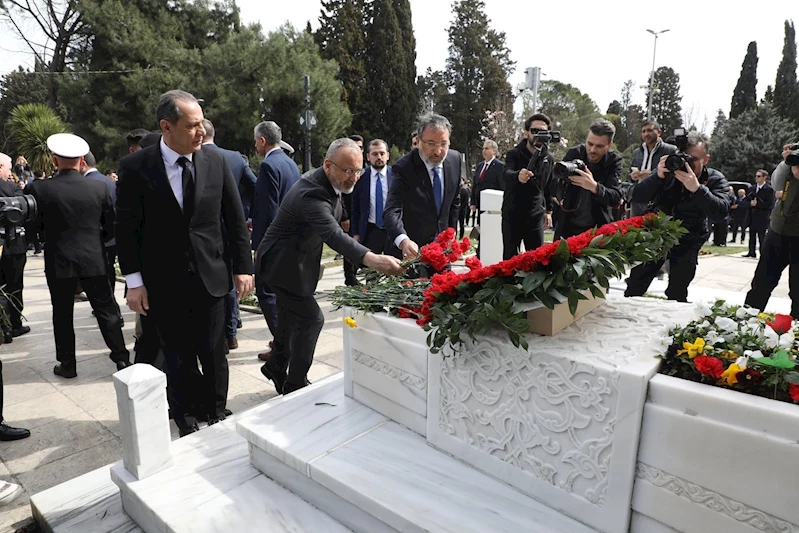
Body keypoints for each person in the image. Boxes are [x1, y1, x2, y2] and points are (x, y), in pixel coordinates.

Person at [116, 90, 253, 436]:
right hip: (164, 280)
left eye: (201, 126)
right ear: (166, 127)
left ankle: (217, 411)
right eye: (192, 126)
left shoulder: (216, 160)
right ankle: (185, 417)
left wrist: (243, 267)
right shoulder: (135, 168)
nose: (201, 133)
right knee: (176, 355)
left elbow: (235, 219)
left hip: (211, 275)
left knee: (214, 352)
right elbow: (127, 228)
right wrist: (134, 282)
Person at [256, 138, 405, 394]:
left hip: (297, 263)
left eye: (358, 170)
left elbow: (339, 215)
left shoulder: (331, 182)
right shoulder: (311, 193)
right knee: (312, 318)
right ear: (328, 165)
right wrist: (373, 259)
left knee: (291, 319)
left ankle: (276, 367)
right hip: (280, 265)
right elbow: (332, 234)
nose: (355, 178)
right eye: (349, 171)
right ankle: (295, 383)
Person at [27, 134, 131, 378]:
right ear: (82, 160)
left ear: (55, 160)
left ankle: (68, 364)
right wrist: (95, 242)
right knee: (106, 310)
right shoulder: (99, 186)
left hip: (58, 259)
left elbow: (35, 228)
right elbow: (109, 226)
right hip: (93, 257)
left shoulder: (39, 188)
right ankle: (122, 359)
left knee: (62, 314)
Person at [625, 132, 730, 301]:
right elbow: (637, 196)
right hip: (656, 235)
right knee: (635, 285)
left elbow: (720, 211)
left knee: (678, 291)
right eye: (683, 158)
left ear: (706, 159)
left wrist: (697, 189)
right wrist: (657, 176)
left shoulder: (714, 179)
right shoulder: (667, 173)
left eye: (694, 159)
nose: (687, 164)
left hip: (688, 239)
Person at [201, 119, 257, 351]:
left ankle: (216, 334)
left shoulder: (196, 157)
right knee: (230, 283)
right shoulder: (235, 158)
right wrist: (249, 217)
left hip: (206, 233)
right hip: (235, 229)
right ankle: (231, 333)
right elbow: (256, 188)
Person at [251, 120, 301, 363]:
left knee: (267, 293)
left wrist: (259, 246)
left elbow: (268, 212)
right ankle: (284, 340)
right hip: (291, 241)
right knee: (281, 296)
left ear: (262, 140)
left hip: (274, 243)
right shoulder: (290, 164)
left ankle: (283, 345)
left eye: (255, 141)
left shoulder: (269, 166)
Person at [384, 112, 462, 266]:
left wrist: (451, 234)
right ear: (419, 141)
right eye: (431, 143)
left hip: (442, 252)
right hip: (412, 253)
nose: (438, 151)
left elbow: (455, 201)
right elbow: (392, 211)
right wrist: (403, 240)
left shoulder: (455, 160)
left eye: (444, 144)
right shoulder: (404, 168)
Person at [745, 144, 799, 317]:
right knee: (761, 283)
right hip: (777, 233)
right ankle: (746, 322)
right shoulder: (790, 169)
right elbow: (776, 184)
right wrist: (786, 162)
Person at [554, 118, 623, 239]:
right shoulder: (574, 153)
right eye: (590, 144)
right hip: (567, 225)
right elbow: (554, 183)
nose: (592, 150)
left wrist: (594, 187)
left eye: (599, 146)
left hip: (597, 230)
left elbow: (615, 197)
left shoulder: (614, 161)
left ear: (609, 145)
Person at [501, 113, 555, 259]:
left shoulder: (548, 158)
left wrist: (549, 211)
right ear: (526, 133)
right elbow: (506, 173)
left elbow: (548, 186)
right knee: (510, 259)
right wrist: (517, 176)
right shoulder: (514, 154)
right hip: (513, 214)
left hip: (535, 215)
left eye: (543, 132)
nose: (538, 135)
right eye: (534, 131)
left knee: (538, 259)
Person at [81, 151, 124, 326]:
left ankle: (111, 311)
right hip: (112, 238)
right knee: (109, 274)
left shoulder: (86, 184)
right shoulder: (109, 182)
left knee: (99, 277)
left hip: (94, 239)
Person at [351, 139, 392, 255]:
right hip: (370, 231)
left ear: (388, 155)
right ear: (368, 157)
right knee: (372, 270)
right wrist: (356, 234)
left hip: (392, 230)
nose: (379, 157)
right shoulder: (361, 178)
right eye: (374, 154)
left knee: (396, 269)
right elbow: (355, 209)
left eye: (382, 153)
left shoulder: (397, 176)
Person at [629, 121, 677, 216]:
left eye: (650, 130)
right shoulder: (636, 152)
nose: (646, 134)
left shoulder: (671, 150)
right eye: (643, 131)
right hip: (637, 201)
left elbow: (673, 177)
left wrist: (652, 175)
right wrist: (632, 176)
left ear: (659, 132)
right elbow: (628, 174)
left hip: (658, 201)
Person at [742, 169, 775, 258]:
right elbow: (745, 202)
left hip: (762, 217)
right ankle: (751, 252)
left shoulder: (769, 189)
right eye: (756, 176)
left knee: (762, 237)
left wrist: (758, 204)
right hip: (752, 216)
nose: (756, 178)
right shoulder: (752, 188)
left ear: (764, 177)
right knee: (751, 236)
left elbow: (769, 204)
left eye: (759, 176)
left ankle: (763, 253)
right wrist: (750, 204)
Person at [471, 139, 504, 220]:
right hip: (480, 205)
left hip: (492, 206)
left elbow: (503, 186)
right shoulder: (480, 166)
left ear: (494, 151)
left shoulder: (500, 166)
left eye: (486, 148)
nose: (484, 151)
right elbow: (475, 184)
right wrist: (473, 202)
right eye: (483, 148)